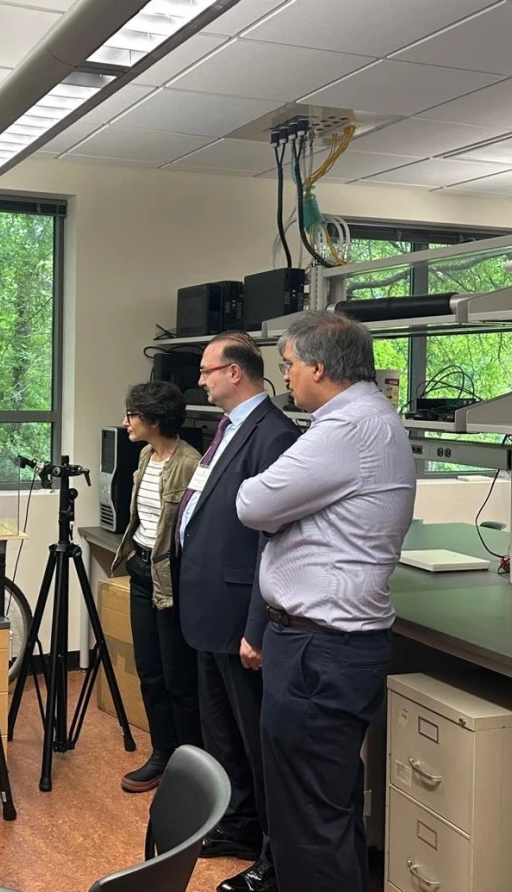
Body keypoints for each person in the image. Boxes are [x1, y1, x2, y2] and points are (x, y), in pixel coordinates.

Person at [236, 311, 417, 892]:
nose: (285, 376)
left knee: (307, 819)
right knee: (322, 809)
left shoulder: (347, 428)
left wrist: (277, 509)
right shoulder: (366, 418)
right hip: (327, 646)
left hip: (319, 650)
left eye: (288, 365)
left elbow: (252, 504)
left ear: (318, 367)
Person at [177, 332, 300, 892]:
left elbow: (271, 542)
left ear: (234, 372)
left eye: (207, 370)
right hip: (208, 605)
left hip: (239, 611)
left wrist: (257, 625)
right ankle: (238, 823)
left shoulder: (273, 434)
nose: (200, 380)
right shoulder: (227, 428)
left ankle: (273, 853)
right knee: (221, 729)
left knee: (253, 737)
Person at [111, 381, 204, 793]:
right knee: (149, 671)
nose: (125, 422)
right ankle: (162, 753)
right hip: (141, 570)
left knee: (177, 676)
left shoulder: (190, 463)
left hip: (171, 578)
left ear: (153, 419)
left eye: (132, 415)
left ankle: (190, 764)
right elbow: (143, 516)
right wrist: (135, 551)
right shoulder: (146, 455)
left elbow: (195, 530)